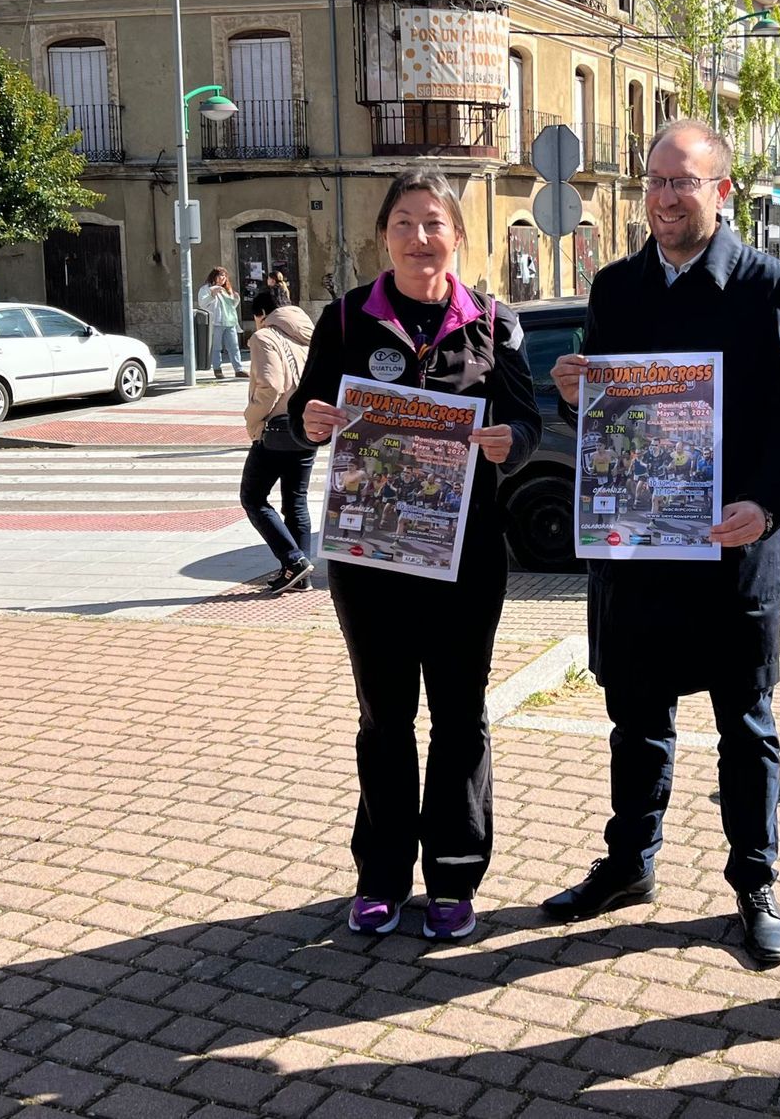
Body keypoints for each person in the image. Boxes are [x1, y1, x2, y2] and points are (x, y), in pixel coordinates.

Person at [546, 119, 780, 968]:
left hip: (733, 551)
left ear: (721, 192)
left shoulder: (768, 286)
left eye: (684, 182)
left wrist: (768, 506)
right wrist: (572, 396)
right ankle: (629, 865)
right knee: (635, 721)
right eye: (656, 181)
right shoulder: (618, 285)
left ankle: (755, 881)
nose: (665, 197)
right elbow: (603, 417)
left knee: (746, 726)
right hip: (636, 554)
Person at [287, 168, 541, 941]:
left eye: (434, 222)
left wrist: (510, 442)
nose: (419, 237)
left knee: (461, 719)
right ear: (384, 235)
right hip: (372, 562)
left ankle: (455, 881)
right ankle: (381, 877)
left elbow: (527, 421)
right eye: (404, 222)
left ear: (458, 236)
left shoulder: (495, 323)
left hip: (465, 562)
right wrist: (313, 420)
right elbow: (299, 412)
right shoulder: (344, 319)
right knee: (384, 720)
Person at [240, 289, 317, 593]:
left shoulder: (264, 337)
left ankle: (294, 560)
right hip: (308, 426)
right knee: (296, 500)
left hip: (276, 429)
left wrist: (252, 418)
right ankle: (301, 575)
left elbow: (271, 386)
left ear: (261, 314)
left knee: (253, 498)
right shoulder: (309, 334)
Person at [198, 268, 244, 379]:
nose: (222, 278)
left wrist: (236, 299)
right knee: (216, 347)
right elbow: (202, 304)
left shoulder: (226, 289)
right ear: (213, 276)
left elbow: (230, 306)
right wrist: (212, 295)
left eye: (224, 276)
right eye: (219, 276)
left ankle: (239, 370)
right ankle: (217, 369)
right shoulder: (206, 289)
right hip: (217, 322)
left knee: (234, 347)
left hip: (230, 321)